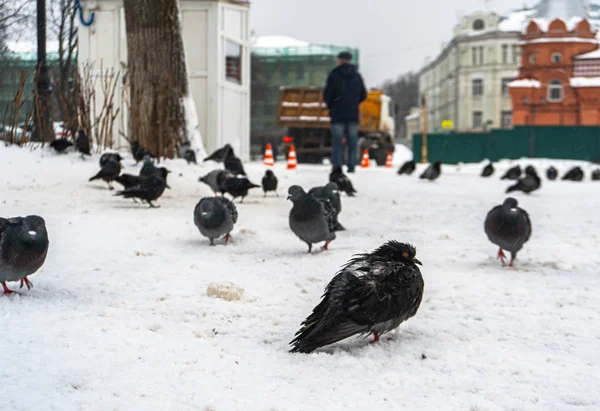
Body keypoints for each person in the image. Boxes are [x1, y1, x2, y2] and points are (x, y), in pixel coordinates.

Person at [323, 51, 367, 173]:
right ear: (349, 60)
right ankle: (351, 165)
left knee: (337, 143)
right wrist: (353, 103)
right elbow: (363, 95)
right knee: (352, 143)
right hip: (352, 114)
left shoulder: (334, 75)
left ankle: (337, 165)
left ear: (340, 60)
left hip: (337, 114)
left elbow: (327, 95)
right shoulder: (357, 76)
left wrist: (332, 105)